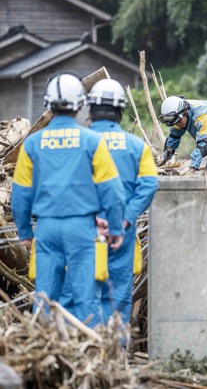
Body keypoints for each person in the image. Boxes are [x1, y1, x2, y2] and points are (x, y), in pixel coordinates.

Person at [11, 72, 126, 328]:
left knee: (44, 296)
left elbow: (19, 194)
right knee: (86, 297)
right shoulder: (92, 142)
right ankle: (87, 352)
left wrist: (25, 231)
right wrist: (116, 228)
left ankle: (48, 352)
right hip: (82, 229)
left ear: (48, 105)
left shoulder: (31, 144)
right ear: (81, 105)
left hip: (47, 229)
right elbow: (113, 191)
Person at [81, 79, 158, 325]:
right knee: (118, 293)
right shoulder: (137, 146)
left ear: (91, 110)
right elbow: (149, 185)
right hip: (121, 230)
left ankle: (88, 347)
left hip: (84, 229)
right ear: (121, 111)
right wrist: (126, 217)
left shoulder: (80, 142)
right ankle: (117, 349)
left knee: (85, 290)